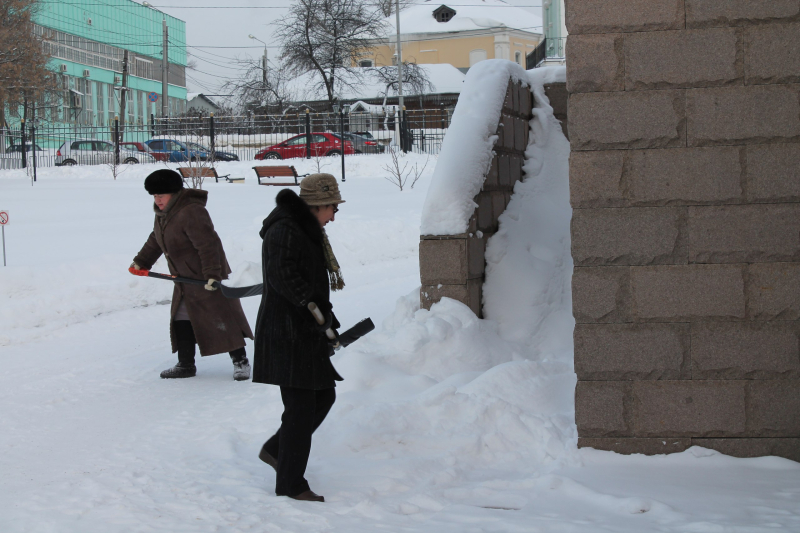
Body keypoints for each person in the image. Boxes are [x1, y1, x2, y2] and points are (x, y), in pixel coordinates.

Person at [252, 173, 346, 503]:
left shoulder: (304, 229)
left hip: (304, 332)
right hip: (287, 333)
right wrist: (314, 312)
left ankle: (277, 450)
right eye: (333, 207)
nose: (334, 215)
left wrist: (325, 317)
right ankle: (290, 483)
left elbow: (306, 282)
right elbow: (284, 277)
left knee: (322, 397)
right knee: (301, 407)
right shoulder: (284, 230)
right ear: (318, 205)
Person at [132, 169, 254, 380]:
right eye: (154, 195)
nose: (157, 200)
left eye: (161, 195)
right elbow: (156, 238)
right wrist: (141, 261)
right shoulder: (164, 214)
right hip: (184, 278)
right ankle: (185, 364)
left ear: (175, 193)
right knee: (181, 318)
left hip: (206, 276)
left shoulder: (191, 211)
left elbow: (208, 245)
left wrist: (212, 274)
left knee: (222, 318)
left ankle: (241, 362)